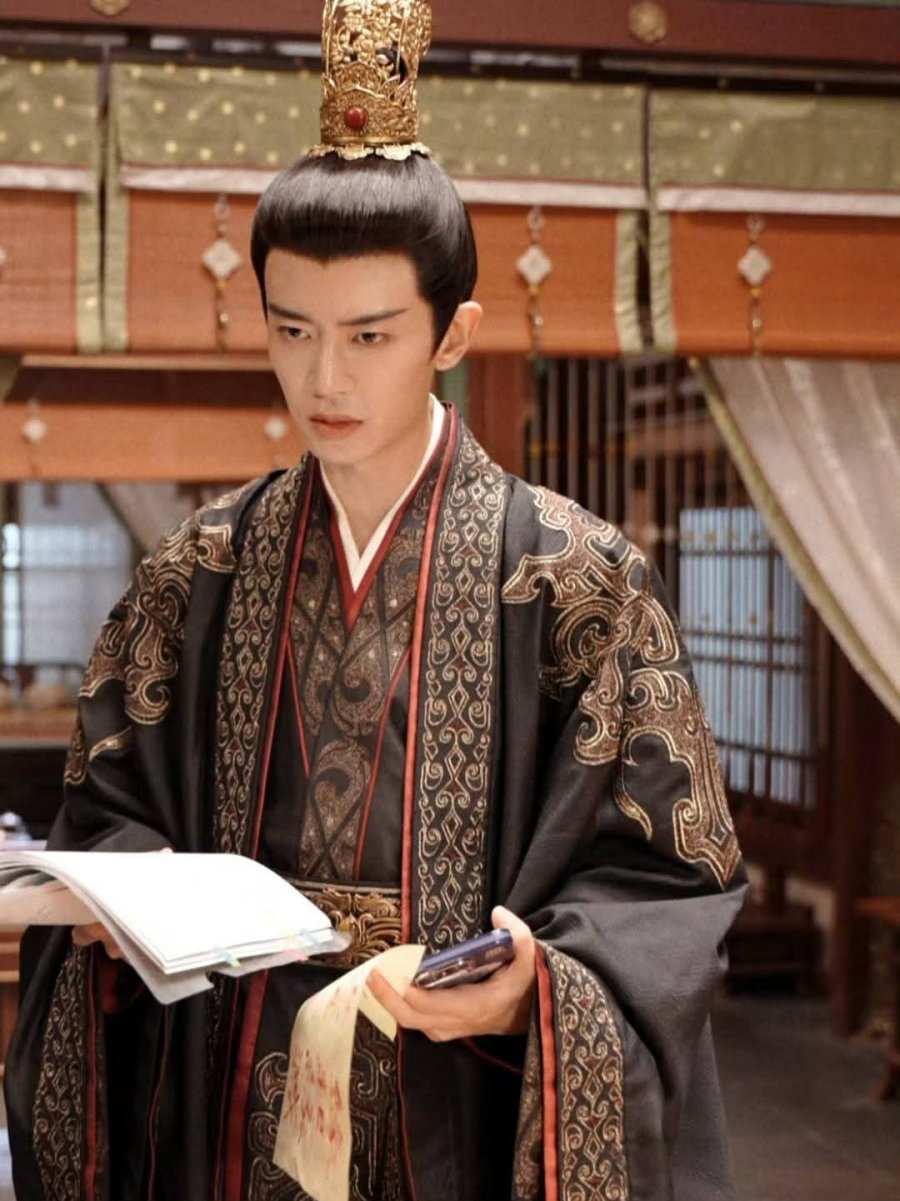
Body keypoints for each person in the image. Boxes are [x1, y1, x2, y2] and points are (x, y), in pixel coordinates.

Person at [5, 2, 746, 1199]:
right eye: (292, 329)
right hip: (235, 1079)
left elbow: (668, 877)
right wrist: (121, 899)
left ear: (453, 333)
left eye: (370, 335)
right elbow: (110, 808)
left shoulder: (577, 577)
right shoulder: (198, 568)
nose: (325, 376)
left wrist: (538, 983)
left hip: (454, 1089)